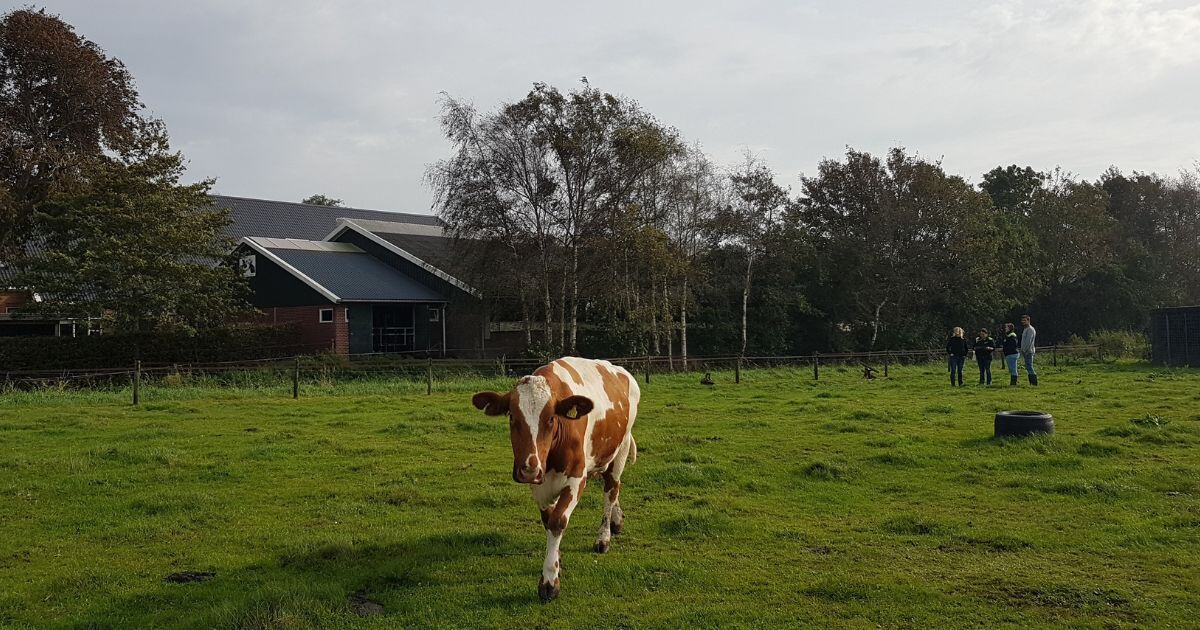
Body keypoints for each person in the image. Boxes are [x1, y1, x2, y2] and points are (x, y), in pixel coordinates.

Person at [1020, 314, 1038, 386]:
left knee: (1029, 366)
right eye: (1022, 320)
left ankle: (1034, 382)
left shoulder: (1030, 329)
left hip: (1028, 351)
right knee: (1028, 366)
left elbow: (1028, 341)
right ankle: (1031, 382)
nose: (1023, 322)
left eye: (1025, 320)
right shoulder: (1025, 329)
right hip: (1026, 351)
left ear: (1028, 320)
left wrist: (1024, 350)